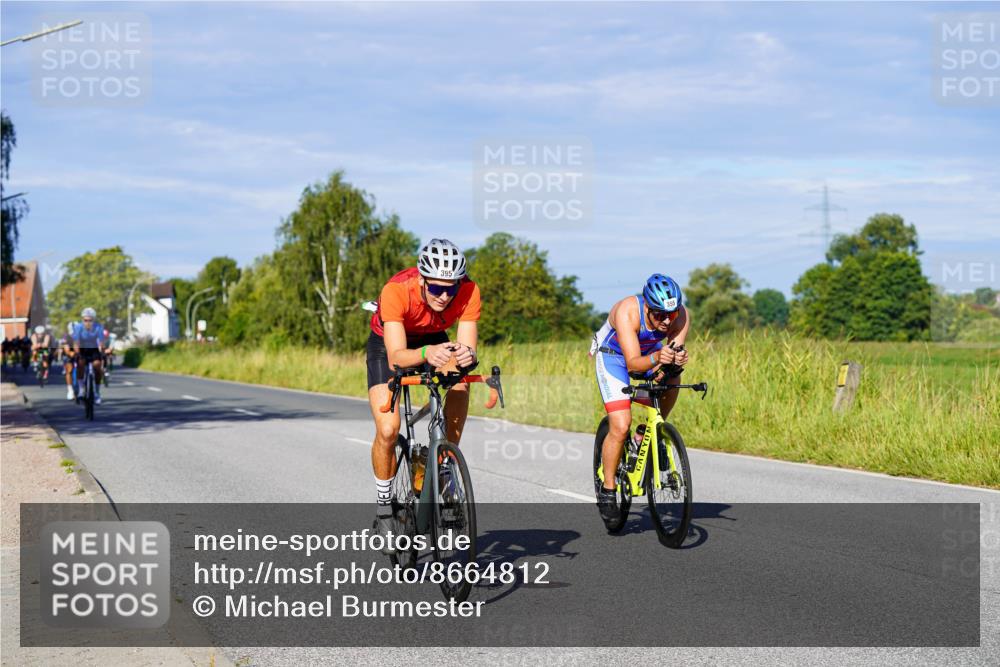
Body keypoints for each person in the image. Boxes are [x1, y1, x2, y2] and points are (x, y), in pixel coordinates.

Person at [366, 239, 480, 549]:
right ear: (422, 280)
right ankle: (385, 507)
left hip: (433, 337)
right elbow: (397, 357)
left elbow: (467, 347)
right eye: (437, 288)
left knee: (460, 381)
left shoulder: (469, 291)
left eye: (451, 289)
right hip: (390, 345)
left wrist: (467, 355)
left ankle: (443, 462)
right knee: (388, 429)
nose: (444, 296)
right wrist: (427, 353)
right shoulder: (396, 291)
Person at [591, 273, 690, 526]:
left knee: (674, 376)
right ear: (647, 307)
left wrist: (676, 359)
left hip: (648, 353)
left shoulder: (681, 315)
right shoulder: (628, 311)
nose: (667, 321)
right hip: (614, 357)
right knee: (621, 424)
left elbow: (673, 353)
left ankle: (650, 432)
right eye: (660, 315)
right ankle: (608, 489)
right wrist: (659, 357)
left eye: (671, 314)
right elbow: (634, 365)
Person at [71, 308, 107, 404]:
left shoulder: (98, 327)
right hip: (82, 349)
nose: (87, 322)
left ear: (93, 320)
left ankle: (97, 392)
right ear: (82, 320)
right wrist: (77, 352)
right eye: (85, 320)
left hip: (93, 349)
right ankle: (81, 389)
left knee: (97, 366)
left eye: (90, 320)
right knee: (80, 364)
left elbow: (101, 341)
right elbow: (76, 342)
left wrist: (103, 352)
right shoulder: (78, 327)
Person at [61, 324, 77, 399]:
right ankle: (70, 390)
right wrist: (70, 353)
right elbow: (66, 348)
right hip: (69, 355)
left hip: (80, 354)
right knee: (69, 370)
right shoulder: (66, 336)